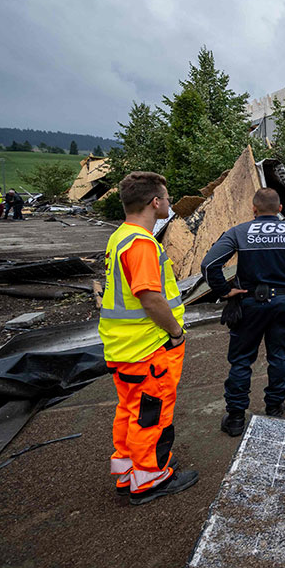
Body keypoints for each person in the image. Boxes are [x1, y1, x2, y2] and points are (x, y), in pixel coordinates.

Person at [98, 171, 198, 505]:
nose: (168, 203)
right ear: (155, 203)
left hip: (122, 347)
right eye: (166, 198)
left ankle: (127, 472)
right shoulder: (141, 244)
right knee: (151, 415)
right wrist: (175, 332)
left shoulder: (120, 237)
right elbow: (150, 297)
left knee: (130, 410)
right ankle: (151, 478)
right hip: (147, 348)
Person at [200, 188, 285, 436]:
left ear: (254, 209)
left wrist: (224, 291)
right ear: (280, 209)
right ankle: (274, 408)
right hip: (282, 302)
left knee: (241, 360)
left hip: (248, 303)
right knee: (280, 357)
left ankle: (236, 418)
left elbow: (209, 264)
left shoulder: (239, 232)